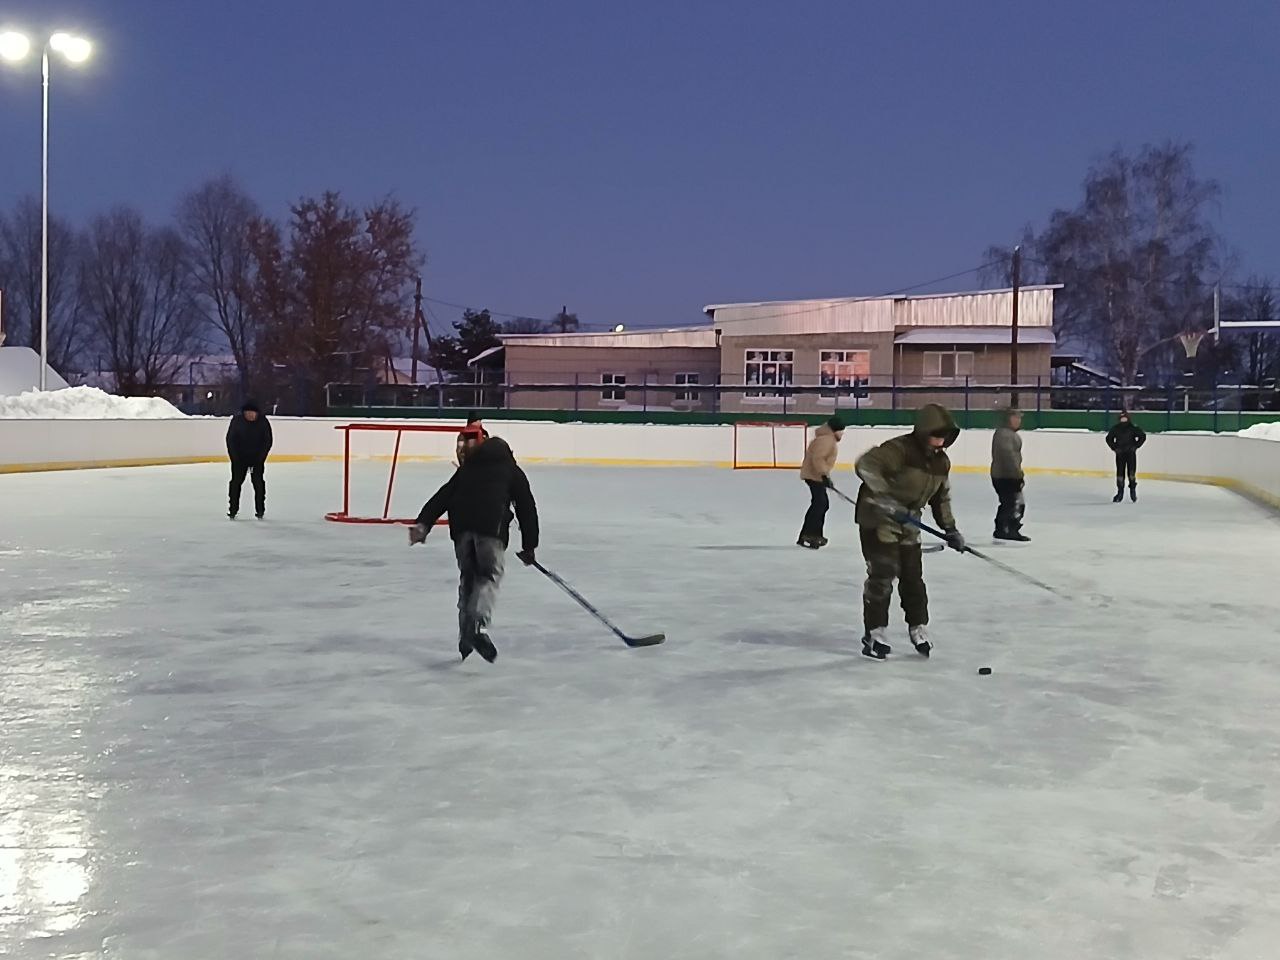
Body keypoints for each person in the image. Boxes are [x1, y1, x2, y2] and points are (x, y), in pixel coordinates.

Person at [409, 430, 539, 664]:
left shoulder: (467, 469)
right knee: (488, 576)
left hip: (462, 531)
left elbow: (442, 496)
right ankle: (478, 625)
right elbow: (526, 508)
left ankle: (466, 638)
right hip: (490, 531)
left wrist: (423, 524)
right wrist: (529, 547)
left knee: (468, 580)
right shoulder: (511, 470)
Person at [853, 403, 965, 660]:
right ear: (924, 431)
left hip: (909, 521)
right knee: (883, 574)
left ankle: (918, 627)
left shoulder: (941, 462)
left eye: (945, 436)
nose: (941, 441)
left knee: (913, 576)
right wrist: (884, 496)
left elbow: (941, 498)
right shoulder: (899, 450)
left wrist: (950, 528)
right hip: (879, 518)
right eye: (936, 434)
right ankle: (875, 632)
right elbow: (866, 464)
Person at [797, 416, 845, 548]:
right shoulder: (826, 440)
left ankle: (810, 534)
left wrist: (825, 476)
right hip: (814, 476)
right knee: (820, 504)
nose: (842, 434)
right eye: (841, 431)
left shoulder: (826, 439)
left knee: (820, 504)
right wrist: (824, 475)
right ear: (835, 430)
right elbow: (818, 458)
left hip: (815, 475)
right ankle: (811, 535)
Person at [226, 399, 273, 519]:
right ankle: (233, 509)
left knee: (258, 484)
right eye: (247, 413)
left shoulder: (263, 422)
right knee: (235, 483)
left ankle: (260, 510)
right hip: (239, 459)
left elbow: (267, 441)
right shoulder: (237, 422)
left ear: (257, 413)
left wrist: (260, 458)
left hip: (257, 459)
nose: (250, 415)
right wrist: (235, 458)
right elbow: (231, 440)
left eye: (252, 413)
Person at [990, 407, 1029, 542]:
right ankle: (1009, 529)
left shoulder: (1005, 434)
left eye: (1019, 418)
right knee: (1014, 503)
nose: (1018, 421)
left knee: (1007, 503)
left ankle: (1002, 528)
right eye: (1015, 418)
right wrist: (1017, 475)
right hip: (1006, 476)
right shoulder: (1005, 435)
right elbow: (1009, 457)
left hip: (1003, 475)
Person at [1105, 411, 1146, 502]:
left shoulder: (1133, 428)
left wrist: (1135, 446)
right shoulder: (1116, 428)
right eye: (1122, 419)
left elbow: (1142, 436)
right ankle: (1120, 493)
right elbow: (1109, 438)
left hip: (1130, 453)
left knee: (1131, 473)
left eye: (1125, 418)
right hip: (1120, 454)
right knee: (1120, 473)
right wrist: (1115, 448)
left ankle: (1132, 490)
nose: (1123, 420)